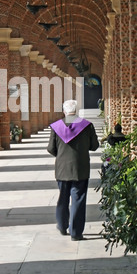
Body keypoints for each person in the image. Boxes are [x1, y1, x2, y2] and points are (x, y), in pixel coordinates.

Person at [47, 100, 99, 241]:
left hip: (62, 169)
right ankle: (76, 233)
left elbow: (51, 149)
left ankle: (62, 226)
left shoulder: (56, 126)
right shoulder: (86, 126)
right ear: (76, 111)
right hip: (80, 168)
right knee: (78, 200)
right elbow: (94, 146)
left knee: (63, 198)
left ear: (64, 111)